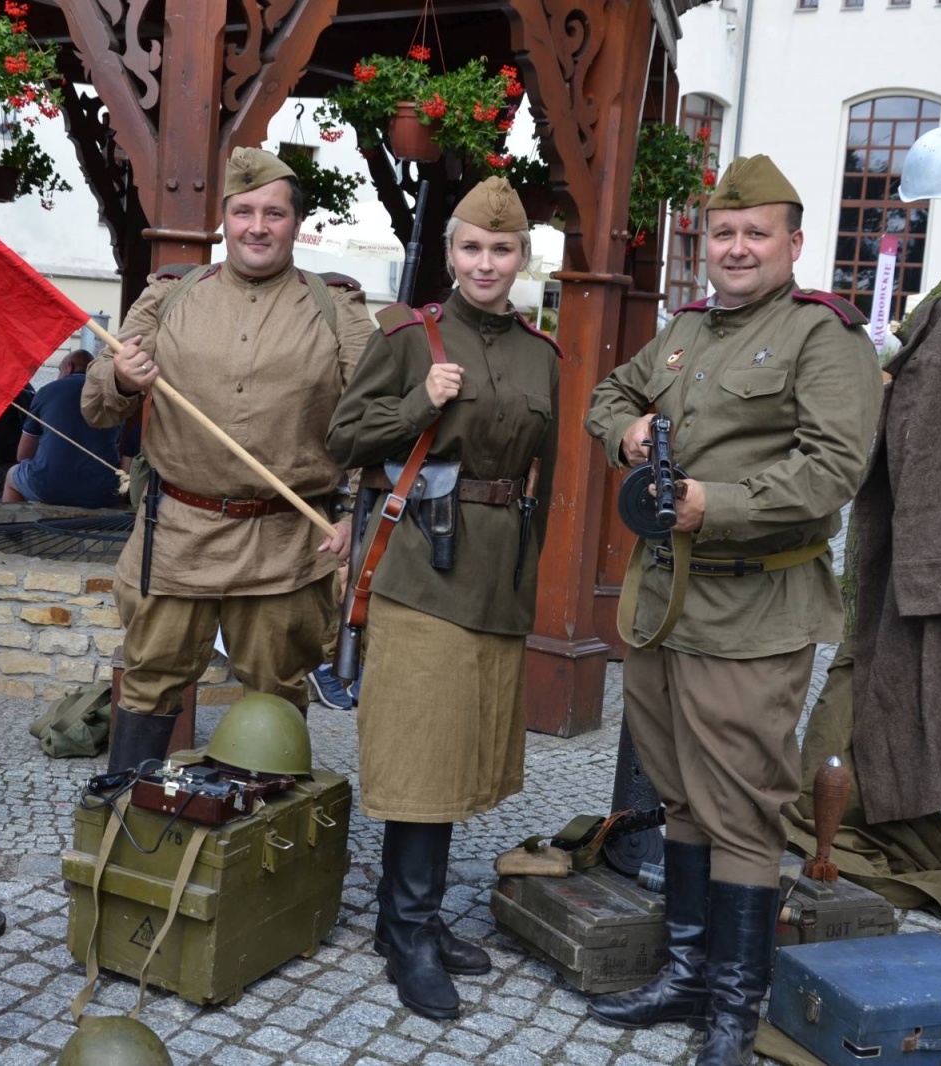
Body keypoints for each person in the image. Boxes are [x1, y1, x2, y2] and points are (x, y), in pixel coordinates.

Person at [584, 155, 882, 1064]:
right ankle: (684, 974)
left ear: (794, 243)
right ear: (703, 244)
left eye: (757, 233)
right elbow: (609, 393)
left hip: (755, 606)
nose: (738, 247)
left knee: (743, 808)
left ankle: (732, 1009)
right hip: (664, 604)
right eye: (724, 233)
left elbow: (836, 467)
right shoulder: (684, 330)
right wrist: (626, 429)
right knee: (678, 794)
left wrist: (720, 502)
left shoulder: (823, 339)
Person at [326, 177, 559, 1021]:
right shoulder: (408, 337)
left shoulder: (543, 355)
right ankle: (409, 931)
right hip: (421, 568)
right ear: (451, 254)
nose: (486, 263)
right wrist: (415, 403)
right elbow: (343, 437)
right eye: (471, 248)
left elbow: (547, 480)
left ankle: (407, 917)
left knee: (461, 747)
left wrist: (528, 584)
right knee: (423, 748)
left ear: (522, 258)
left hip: (496, 577)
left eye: (502, 250)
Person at [81, 147, 373, 772]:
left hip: (286, 543)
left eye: (273, 213)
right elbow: (96, 404)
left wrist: (356, 511)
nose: (257, 227)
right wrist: (126, 382)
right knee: (150, 679)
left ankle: (267, 834)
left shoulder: (337, 308)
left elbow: (376, 419)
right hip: (178, 534)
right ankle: (126, 813)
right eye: (243, 212)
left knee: (276, 692)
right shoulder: (168, 296)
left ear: (297, 224)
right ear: (225, 221)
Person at [3, 351, 124, 508]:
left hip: (48, 488)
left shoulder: (47, 391)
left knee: (12, 476)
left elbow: (23, 455)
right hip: (102, 492)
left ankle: (13, 531)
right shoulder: (112, 395)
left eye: (59, 370)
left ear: (69, 367)